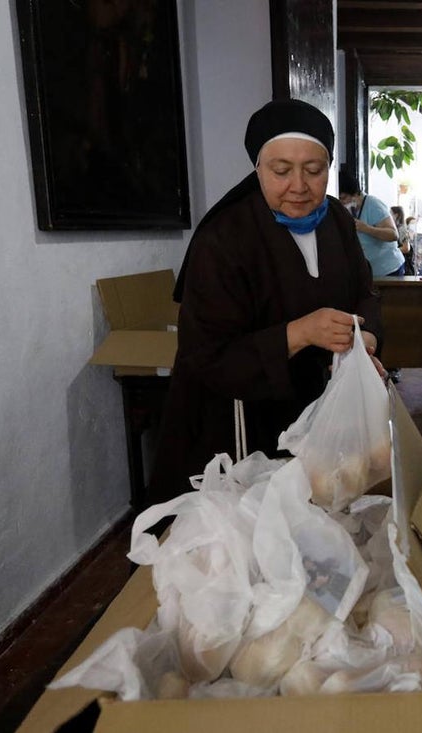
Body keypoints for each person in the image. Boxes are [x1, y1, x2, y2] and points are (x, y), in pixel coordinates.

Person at [150, 99, 387, 505]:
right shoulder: (224, 239)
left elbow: (364, 294)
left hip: (314, 415)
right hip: (238, 424)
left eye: (314, 171)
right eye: (281, 171)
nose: (299, 185)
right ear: (258, 168)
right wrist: (300, 333)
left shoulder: (337, 221)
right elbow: (205, 355)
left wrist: (364, 341)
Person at [339, 172, 404, 277]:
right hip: (368, 271)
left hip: (388, 269)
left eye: (343, 198)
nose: (341, 202)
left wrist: (367, 228)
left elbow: (393, 234)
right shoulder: (350, 210)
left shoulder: (373, 205)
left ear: (355, 194)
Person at [391, 205, 413, 274]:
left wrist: (391, 252)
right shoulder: (396, 228)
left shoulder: (401, 229)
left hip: (403, 264)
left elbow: (406, 248)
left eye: (390, 213)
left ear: (396, 215)